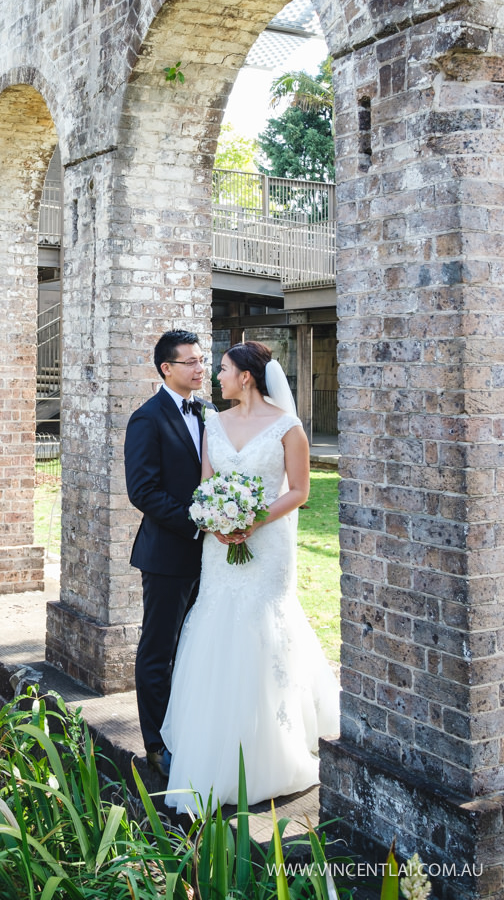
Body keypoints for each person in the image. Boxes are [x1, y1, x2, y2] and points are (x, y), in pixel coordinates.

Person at [161, 340, 340, 811]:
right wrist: (215, 521)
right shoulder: (213, 423)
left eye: (221, 369)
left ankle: (270, 752)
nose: (214, 375)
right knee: (216, 629)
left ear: (246, 376)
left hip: (268, 545)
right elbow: (205, 487)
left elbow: (300, 491)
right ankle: (213, 749)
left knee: (264, 631)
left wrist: (254, 519)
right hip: (220, 548)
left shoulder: (288, 427)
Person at [125, 329, 207, 778]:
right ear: (166, 369)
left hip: (212, 557)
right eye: (191, 362)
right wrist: (196, 522)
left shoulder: (210, 412)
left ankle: (189, 732)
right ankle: (156, 744)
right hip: (167, 556)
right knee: (159, 650)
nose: (200, 368)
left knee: (197, 648)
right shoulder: (147, 418)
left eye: (202, 360)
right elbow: (143, 491)